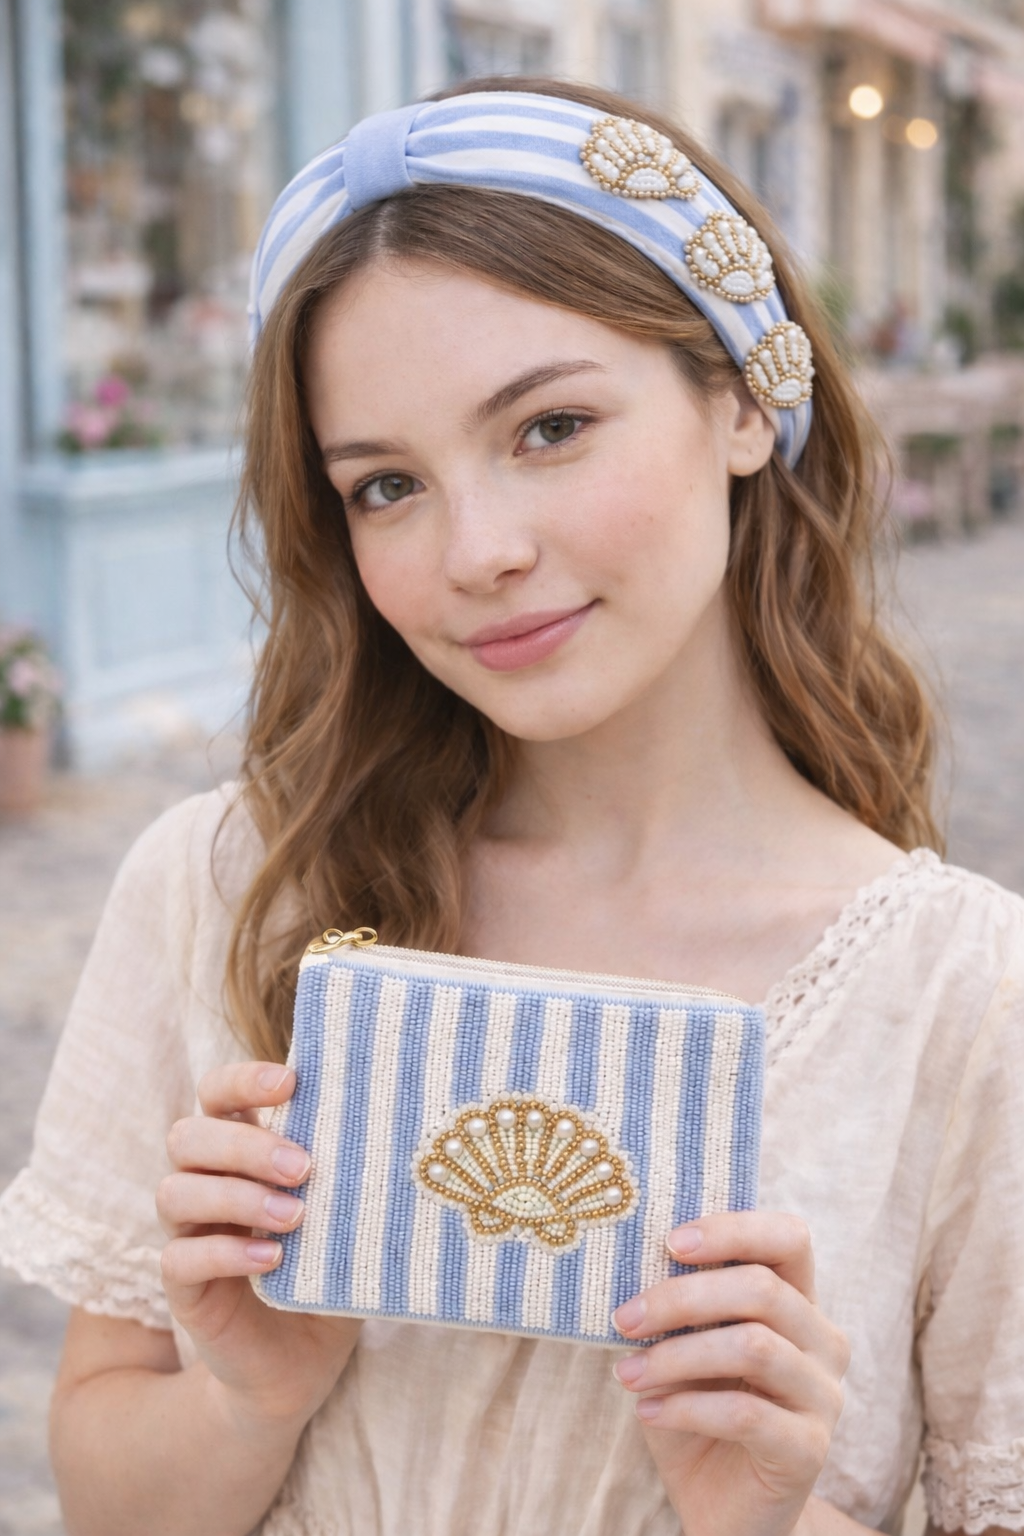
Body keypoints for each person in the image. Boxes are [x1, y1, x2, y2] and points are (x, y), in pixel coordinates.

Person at [0, 77, 1020, 1536]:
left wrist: (773, 1515)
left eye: (549, 428)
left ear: (738, 397)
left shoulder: (965, 1002)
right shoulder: (231, 888)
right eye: (386, 487)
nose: (475, 551)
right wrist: (252, 1398)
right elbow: (107, 1501)